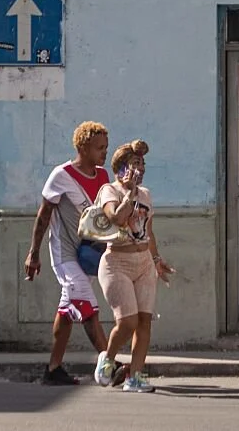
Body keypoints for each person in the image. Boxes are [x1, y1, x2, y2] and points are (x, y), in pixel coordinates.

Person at [26, 121, 112, 386]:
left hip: (88, 254)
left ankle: (53, 369)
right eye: (99, 148)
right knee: (88, 307)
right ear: (83, 147)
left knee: (66, 311)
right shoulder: (61, 175)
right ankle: (111, 363)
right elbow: (44, 215)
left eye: (106, 148)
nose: (104, 153)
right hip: (64, 255)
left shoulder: (103, 177)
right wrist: (34, 253)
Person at [92, 140, 174, 394]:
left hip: (143, 264)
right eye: (135, 164)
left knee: (144, 321)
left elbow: (148, 232)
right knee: (127, 321)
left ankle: (135, 376)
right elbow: (116, 217)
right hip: (117, 262)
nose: (140, 169)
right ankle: (107, 358)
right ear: (121, 168)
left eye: (143, 164)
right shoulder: (110, 190)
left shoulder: (146, 195)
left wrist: (157, 260)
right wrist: (127, 193)